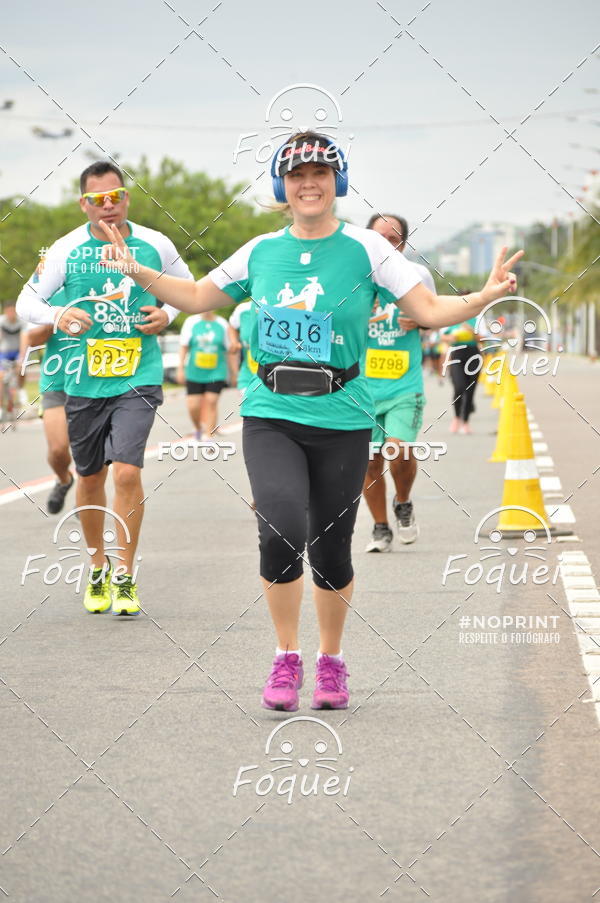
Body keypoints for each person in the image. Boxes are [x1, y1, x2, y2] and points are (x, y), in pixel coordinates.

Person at [96, 131, 522, 710]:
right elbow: (195, 296)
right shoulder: (259, 251)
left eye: (319, 173)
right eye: (296, 175)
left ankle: (331, 661)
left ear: (336, 182)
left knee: (331, 550)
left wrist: (483, 297)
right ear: (283, 187)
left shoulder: (367, 250)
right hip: (271, 413)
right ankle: (285, 656)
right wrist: (136, 271)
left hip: (343, 415)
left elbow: (425, 309)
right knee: (279, 530)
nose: (308, 184)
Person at [16, 161, 193, 615]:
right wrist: (59, 315)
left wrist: (167, 314)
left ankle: (125, 576)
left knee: (127, 472)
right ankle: (97, 567)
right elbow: (25, 302)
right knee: (91, 476)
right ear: (84, 204)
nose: (108, 205)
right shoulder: (65, 249)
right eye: (98, 200)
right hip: (82, 378)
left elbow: (188, 288)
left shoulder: (155, 243)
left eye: (115, 196)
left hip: (138, 374)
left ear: (126, 198)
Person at [362, 214, 436, 552]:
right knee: (369, 461)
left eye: (393, 239)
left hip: (404, 384)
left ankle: (402, 501)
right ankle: (380, 527)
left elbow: (434, 316)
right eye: (379, 237)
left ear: (403, 244)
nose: (386, 244)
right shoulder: (353, 276)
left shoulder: (417, 275)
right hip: (362, 387)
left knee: (398, 451)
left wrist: (420, 321)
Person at [20, 287, 75, 513]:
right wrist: (55, 319)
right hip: (57, 382)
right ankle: (64, 479)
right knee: (58, 450)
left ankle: (88, 498)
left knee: (93, 452)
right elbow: (32, 339)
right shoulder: (48, 293)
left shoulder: (100, 290)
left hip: (95, 381)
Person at [177, 311, 230, 440]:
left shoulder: (222, 323)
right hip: (195, 372)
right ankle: (198, 428)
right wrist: (180, 368)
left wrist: (234, 372)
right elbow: (184, 347)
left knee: (211, 401)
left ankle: (209, 437)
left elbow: (229, 349)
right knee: (193, 406)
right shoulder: (191, 322)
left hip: (216, 371)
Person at [442, 316, 482, 434]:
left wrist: (472, 332)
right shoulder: (452, 317)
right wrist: (451, 337)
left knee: (470, 389)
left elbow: (483, 338)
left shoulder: (478, 319)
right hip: (457, 353)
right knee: (459, 386)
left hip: (473, 354)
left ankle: (465, 421)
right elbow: (442, 336)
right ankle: (457, 417)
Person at [228, 299, 259, 397]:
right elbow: (232, 327)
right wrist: (234, 341)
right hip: (248, 373)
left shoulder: (278, 306)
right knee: (249, 402)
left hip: (273, 375)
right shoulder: (242, 309)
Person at [0, 304, 27, 413]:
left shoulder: (22, 322)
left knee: (22, 369)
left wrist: (22, 357)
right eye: (8, 312)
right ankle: (1, 407)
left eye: (12, 312)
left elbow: (24, 339)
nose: (10, 314)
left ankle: (21, 389)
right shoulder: (1, 322)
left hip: (17, 351)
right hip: (4, 352)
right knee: (1, 376)